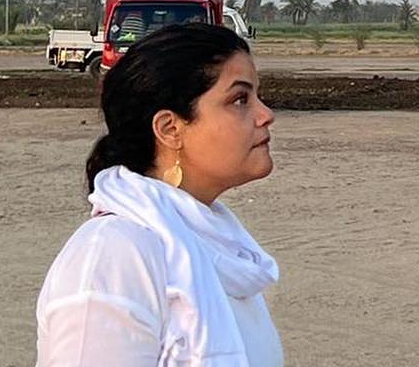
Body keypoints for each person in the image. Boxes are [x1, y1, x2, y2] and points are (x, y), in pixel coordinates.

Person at [36, 22, 282, 366]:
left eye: (257, 95)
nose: (265, 114)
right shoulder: (114, 254)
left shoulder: (222, 247)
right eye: (239, 99)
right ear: (170, 129)